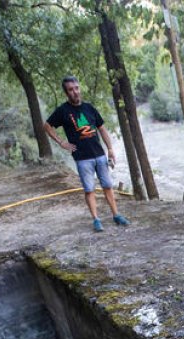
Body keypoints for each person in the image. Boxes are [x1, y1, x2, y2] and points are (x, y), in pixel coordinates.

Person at [44, 76, 131, 233]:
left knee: (107, 186)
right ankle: (96, 220)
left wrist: (110, 149)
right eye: (71, 90)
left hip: (99, 154)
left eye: (76, 88)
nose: (75, 92)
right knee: (89, 189)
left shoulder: (89, 108)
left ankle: (116, 215)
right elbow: (47, 125)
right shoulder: (63, 111)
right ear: (66, 93)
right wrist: (61, 142)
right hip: (82, 158)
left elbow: (102, 128)